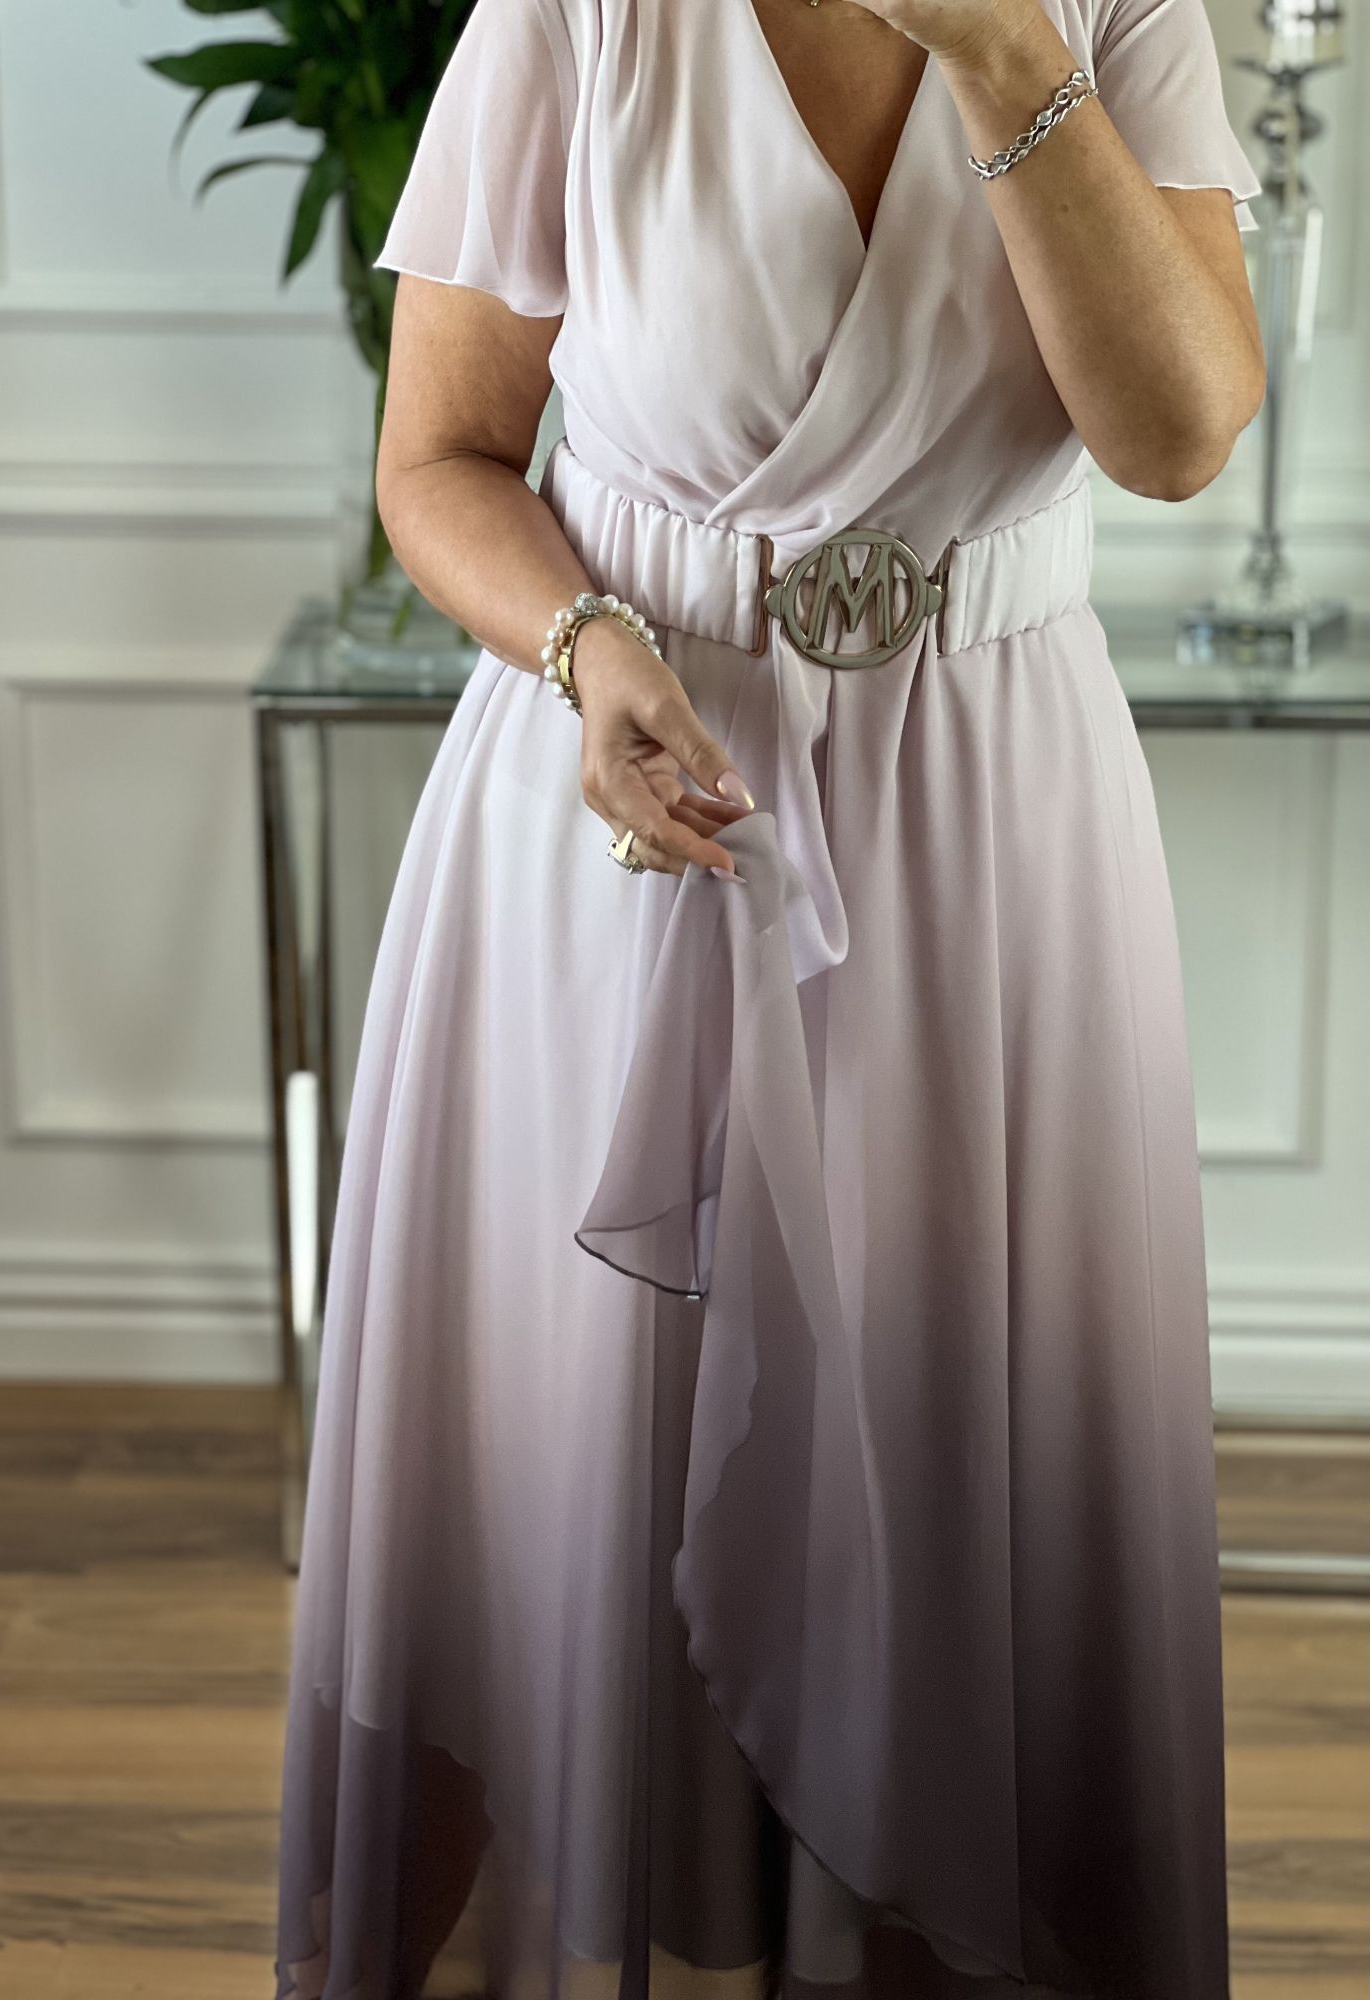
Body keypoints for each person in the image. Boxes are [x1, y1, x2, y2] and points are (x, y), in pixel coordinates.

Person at [273, 1, 1265, 1995]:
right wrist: (587, 647)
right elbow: (439, 460)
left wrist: (1004, 56)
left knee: (951, 1468)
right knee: (573, 1485)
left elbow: (1175, 436)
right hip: (630, 819)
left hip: (991, 846)